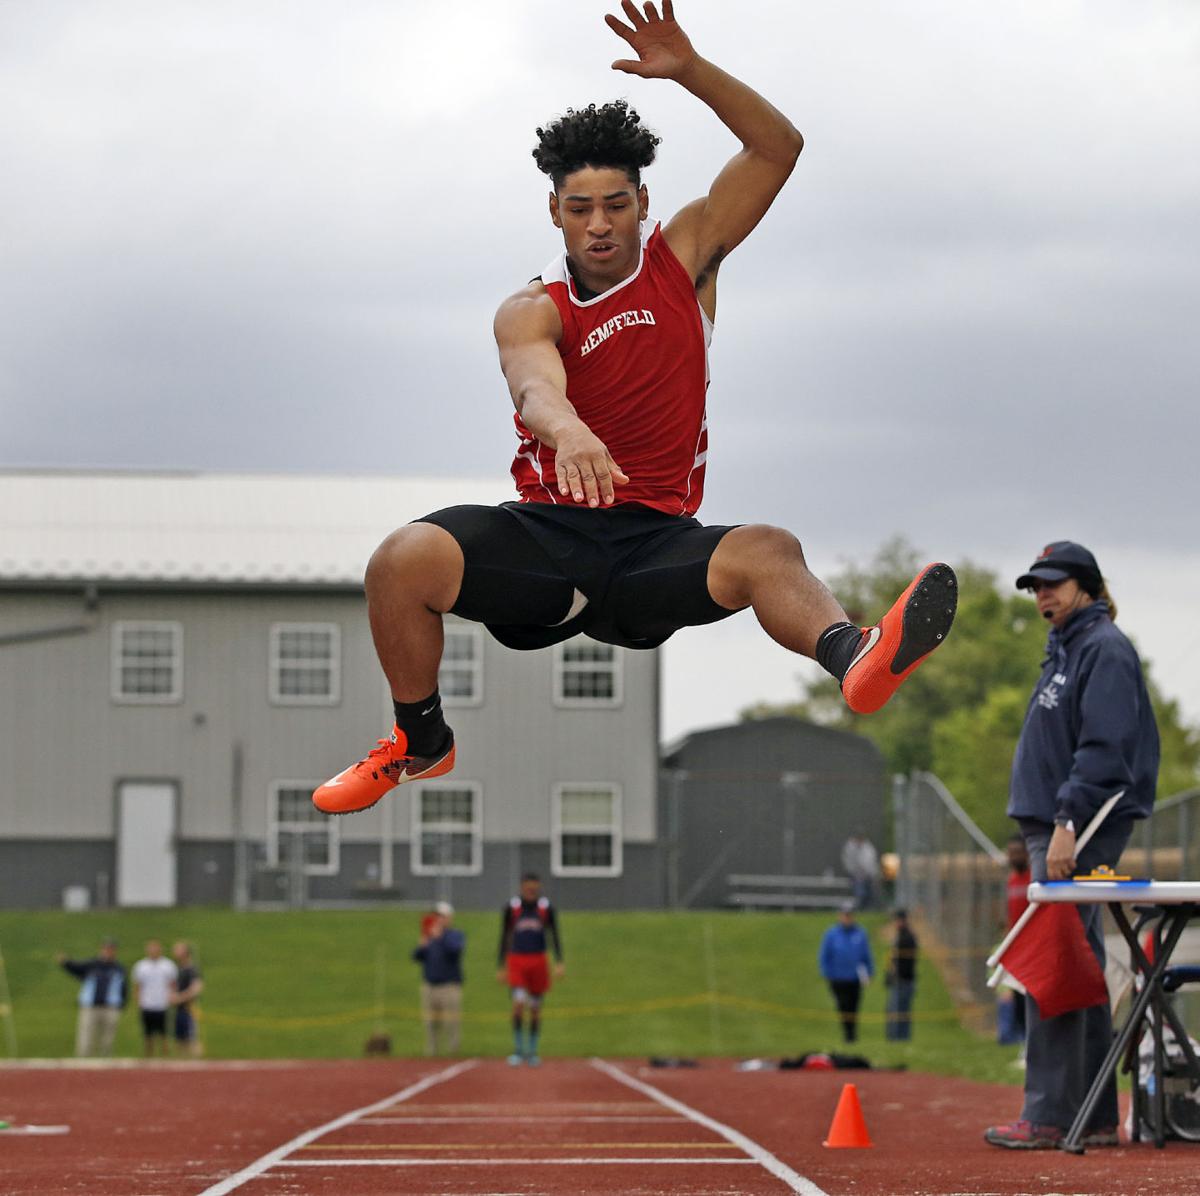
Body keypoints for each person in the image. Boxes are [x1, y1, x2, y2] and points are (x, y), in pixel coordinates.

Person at [311, 0, 957, 818]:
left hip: (655, 544)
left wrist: (691, 71)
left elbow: (777, 148)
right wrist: (568, 427)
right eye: (580, 209)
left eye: (616, 204)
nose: (600, 224)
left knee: (767, 548)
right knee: (401, 560)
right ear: (555, 213)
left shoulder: (683, 257)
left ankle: (853, 653)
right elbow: (533, 384)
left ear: (644, 202)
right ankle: (420, 738)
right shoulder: (531, 307)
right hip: (547, 541)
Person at [984, 541, 1159, 1150]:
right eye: (1035, 587)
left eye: (1053, 584)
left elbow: (1106, 751)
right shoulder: (1067, 648)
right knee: (1076, 970)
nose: (1042, 596)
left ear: (1086, 585)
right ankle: (1095, 1114)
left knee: (1053, 970)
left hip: (1073, 830)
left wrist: (1066, 822)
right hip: (1056, 827)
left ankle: (1051, 1114)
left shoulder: (1103, 649)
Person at [497, 874, 564, 1066]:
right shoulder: (512, 908)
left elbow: (555, 934)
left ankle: (532, 1050)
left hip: (538, 960)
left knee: (535, 1008)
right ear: (522, 887)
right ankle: (518, 1049)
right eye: (527, 887)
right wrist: (501, 965)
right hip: (517, 959)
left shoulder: (545, 908)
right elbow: (504, 935)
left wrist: (559, 961)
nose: (531, 891)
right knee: (518, 1004)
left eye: (534, 887)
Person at [56, 938, 126, 1058]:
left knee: (107, 1038)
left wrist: (121, 1005)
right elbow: (76, 968)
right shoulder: (92, 965)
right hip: (90, 1007)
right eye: (106, 949)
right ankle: (83, 1063)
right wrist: (65, 962)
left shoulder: (118, 968)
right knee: (86, 1036)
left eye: (111, 949)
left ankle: (106, 1063)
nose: (109, 951)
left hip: (110, 1007)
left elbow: (124, 988)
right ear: (102, 949)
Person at [412, 901, 466, 1056]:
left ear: (449, 918)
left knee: (452, 1022)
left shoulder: (455, 935)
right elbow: (416, 956)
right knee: (430, 1023)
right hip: (430, 985)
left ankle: (453, 1052)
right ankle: (431, 1052)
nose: (438, 919)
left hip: (449, 986)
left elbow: (455, 950)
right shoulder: (429, 936)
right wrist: (422, 944)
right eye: (436, 916)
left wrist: (440, 936)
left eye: (441, 916)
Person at [818, 902, 874, 1043]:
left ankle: (852, 1034)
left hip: (855, 978)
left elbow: (866, 955)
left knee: (854, 1006)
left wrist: (869, 972)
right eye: (845, 915)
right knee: (843, 1005)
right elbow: (825, 956)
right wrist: (827, 973)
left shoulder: (860, 933)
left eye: (850, 915)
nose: (847, 918)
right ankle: (847, 1033)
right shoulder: (831, 934)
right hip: (838, 979)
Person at [996, 833, 1030, 1049]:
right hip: (1016, 947)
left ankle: (1031, 1043)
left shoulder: (1033, 878)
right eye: (1010, 853)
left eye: (1017, 852)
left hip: (1032, 946)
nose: (1012, 857)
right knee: (1017, 998)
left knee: (1030, 998)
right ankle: (1022, 1042)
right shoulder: (1012, 880)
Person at [131, 939, 177, 1059]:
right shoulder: (141, 966)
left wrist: (172, 996)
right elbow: (137, 986)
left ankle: (165, 1057)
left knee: (164, 1033)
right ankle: (148, 1057)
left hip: (162, 1004)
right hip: (147, 1004)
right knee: (148, 1034)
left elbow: (172, 984)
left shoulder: (168, 965)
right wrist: (138, 1000)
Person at [884, 909, 918, 1042]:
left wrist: (895, 974)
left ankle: (899, 1039)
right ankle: (896, 1038)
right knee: (895, 1011)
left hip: (904, 981)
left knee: (899, 1012)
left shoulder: (907, 937)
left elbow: (903, 962)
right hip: (898, 981)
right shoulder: (900, 936)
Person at [170, 941, 205, 1058]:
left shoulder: (192, 969)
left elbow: (197, 988)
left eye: (177, 949)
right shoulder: (178, 969)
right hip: (179, 1010)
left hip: (189, 1009)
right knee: (180, 1040)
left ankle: (197, 1064)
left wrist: (180, 998)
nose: (174, 952)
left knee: (192, 1039)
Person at [841, 833, 881, 910]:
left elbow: (870, 863)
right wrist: (856, 873)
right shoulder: (850, 848)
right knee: (860, 888)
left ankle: (867, 905)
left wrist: (870, 874)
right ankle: (861, 905)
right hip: (855, 875)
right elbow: (849, 863)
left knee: (869, 889)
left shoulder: (868, 848)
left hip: (868, 875)